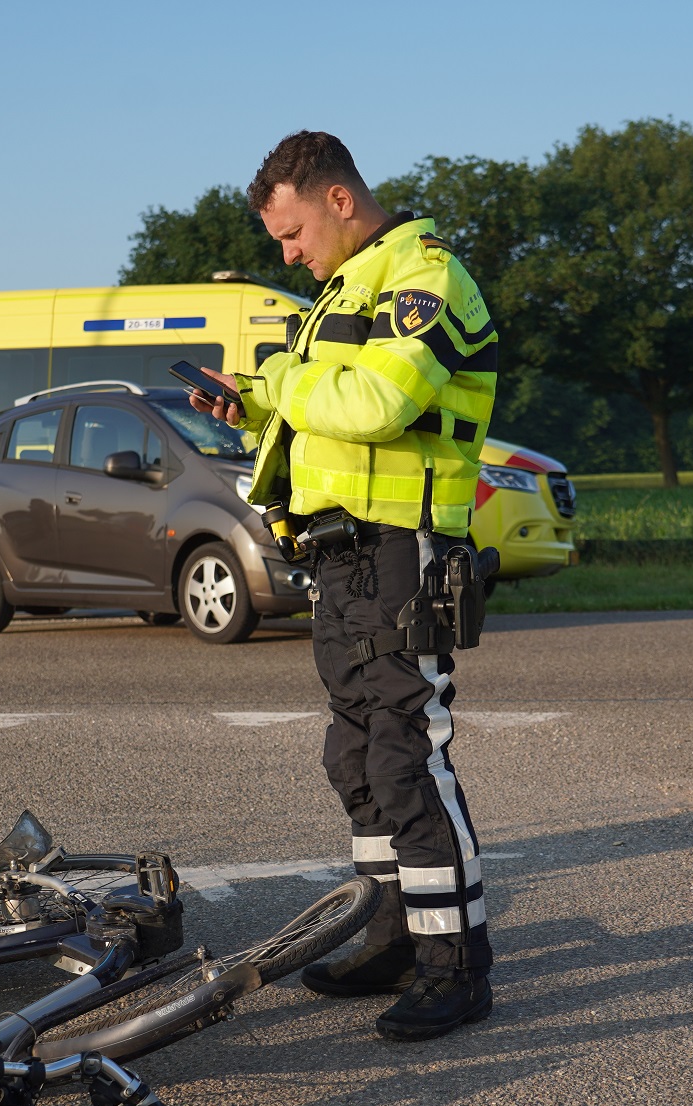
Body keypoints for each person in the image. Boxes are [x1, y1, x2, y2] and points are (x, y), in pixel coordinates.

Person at [188, 132, 500, 1041]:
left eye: (290, 234)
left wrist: (279, 377)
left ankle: (457, 967)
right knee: (357, 758)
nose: (286, 255)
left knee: (408, 758)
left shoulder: (425, 277)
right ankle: (393, 939)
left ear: (336, 199)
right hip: (341, 557)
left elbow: (376, 406)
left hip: (404, 552)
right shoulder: (340, 292)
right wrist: (249, 404)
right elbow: (326, 419)